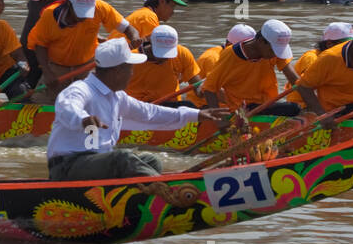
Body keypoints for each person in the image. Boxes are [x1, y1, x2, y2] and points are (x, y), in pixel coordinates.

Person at [47, 37, 226, 182]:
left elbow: (150, 114)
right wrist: (83, 119)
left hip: (96, 164)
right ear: (117, 71)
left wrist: (196, 115)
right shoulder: (81, 89)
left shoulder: (118, 97)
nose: (132, 73)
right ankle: (167, 192)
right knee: (123, 158)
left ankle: (146, 195)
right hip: (67, 167)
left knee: (152, 160)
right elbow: (66, 107)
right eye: (130, 68)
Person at [27, 0, 141, 96]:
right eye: (80, 12)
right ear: (69, 4)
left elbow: (127, 28)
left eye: (87, 12)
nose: (84, 17)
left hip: (87, 66)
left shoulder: (100, 8)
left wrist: (134, 37)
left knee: (97, 100)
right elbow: (40, 45)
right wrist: (47, 72)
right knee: (42, 101)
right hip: (57, 68)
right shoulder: (50, 15)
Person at [202, 19, 300, 113]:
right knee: (293, 109)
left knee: (294, 108)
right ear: (261, 41)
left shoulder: (273, 49)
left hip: (267, 103)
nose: (276, 54)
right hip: (244, 107)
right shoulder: (226, 56)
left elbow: (295, 79)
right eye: (273, 50)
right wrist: (220, 121)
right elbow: (209, 88)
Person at [129, 24, 200, 105]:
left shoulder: (182, 54)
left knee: (189, 106)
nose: (165, 58)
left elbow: (197, 84)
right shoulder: (131, 58)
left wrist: (202, 90)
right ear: (151, 43)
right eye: (160, 53)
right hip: (138, 106)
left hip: (169, 105)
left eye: (168, 53)